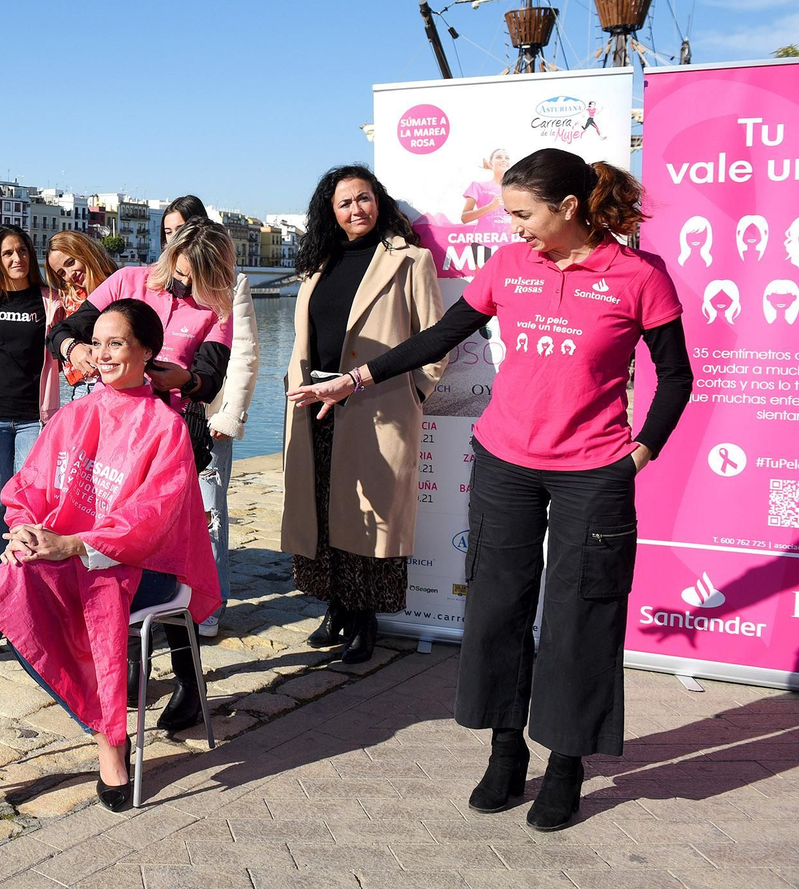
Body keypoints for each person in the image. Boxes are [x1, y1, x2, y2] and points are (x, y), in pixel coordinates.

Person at [289, 148, 692, 832]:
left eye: (523, 215)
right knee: (499, 610)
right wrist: (354, 379)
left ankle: (565, 762)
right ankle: (506, 754)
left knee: (578, 620)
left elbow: (676, 374)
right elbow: (441, 334)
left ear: (569, 209)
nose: (514, 229)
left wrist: (639, 453)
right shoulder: (510, 267)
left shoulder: (638, 275)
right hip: (505, 463)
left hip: (593, 474)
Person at [0, 300, 219, 811]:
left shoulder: (165, 427)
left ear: (148, 352)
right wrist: (24, 527)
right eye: (97, 343)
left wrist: (73, 544)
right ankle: (103, 738)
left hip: (145, 568)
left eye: (117, 343)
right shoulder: (77, 413)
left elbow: (150, 521)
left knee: (17, 587)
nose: (103, 354)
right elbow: (29, 486)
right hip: (69, 559)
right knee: (18, 573)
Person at [47, 220, 235, 732]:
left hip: (171, 433)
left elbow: (211, 378)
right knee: (113, 545)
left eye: (198, 281)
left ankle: (187, 679)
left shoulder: (216, 305)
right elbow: (62, 330)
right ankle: (130, 664)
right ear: (169, 258)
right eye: (180, 276)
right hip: (111, 431)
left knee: (167, 553)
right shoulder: (128, 281)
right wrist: (75, 350)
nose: (185, 290)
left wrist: (188, 380)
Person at [278, 167, 446, 664]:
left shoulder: (410, 260)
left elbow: (435, 340)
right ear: (330, 214)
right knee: (323, 511)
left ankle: (364, 617)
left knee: (370, 518)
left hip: (377, 404)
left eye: (364, 198)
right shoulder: (317, 265)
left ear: (380, 201)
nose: (357, 209)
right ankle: (334, 606)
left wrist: (413, 392)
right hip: (315, 406)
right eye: (345, 203)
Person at [159, 196, 261, 638]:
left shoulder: (231, 285)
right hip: (164, 418)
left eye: (179, 231)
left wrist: (229, 416)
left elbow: (244, 355)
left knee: (209, 513)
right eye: (167, 233)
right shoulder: (161, 284)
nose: (173, 240)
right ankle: (170, 597)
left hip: (208, 414)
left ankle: (210, 603)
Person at [0, 225, 65, 562]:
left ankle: (27, 566)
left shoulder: (50, 301)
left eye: (21, 250)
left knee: (30, 498)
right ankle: (4, 566)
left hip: (33, 418)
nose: (17, 258)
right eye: (8, 253)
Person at [43, 231, 117, 405]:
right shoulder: (69, 296)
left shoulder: (119, 285)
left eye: (71, 262)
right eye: (62, 273)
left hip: (117, 385)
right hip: (83, 387)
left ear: (84, 251)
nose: (70, 274)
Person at [461, 148, 513, 225]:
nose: (504, 160)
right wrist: (490, 207)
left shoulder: (517, 190)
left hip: (508, 236)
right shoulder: (478, 186)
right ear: (491, 163)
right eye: (499, 157)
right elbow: (464, 218)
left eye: (507, 158)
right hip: (484, 236)